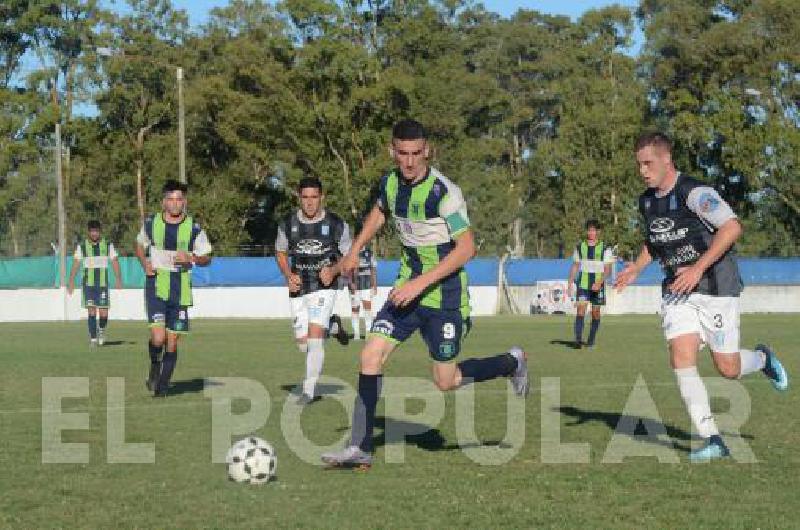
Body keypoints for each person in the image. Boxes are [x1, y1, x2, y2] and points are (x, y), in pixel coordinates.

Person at [320, 119, 529, 469]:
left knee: (445, 381)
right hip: (406, 292)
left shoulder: (444, 193)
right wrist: (355, 250)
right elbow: (379, 213)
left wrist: (420, 283)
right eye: (402, 153)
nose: (410, 161)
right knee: (370, 356)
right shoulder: (390, 183)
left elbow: (466, 249)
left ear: (427, 150)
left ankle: (513, 361)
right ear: (392, 151)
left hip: (445, 298)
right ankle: (359, 447)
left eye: (417, 153)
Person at [614, 132, 789, 461]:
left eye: (648, 163)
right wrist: (636, 267)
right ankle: (712, 438)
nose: (642, 171)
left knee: (728, 368)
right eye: (639, 165)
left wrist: (697, 267)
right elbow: (656, 240)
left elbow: (733, 227)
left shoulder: (695, 193)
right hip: (678, 290)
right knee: (681, 357)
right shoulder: (647, 201)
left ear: (667, 160)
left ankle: (763, 360)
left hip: (715, 286)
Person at [275, 176, 351, 405]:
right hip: (299, 287)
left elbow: (350, 256)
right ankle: (334, 325)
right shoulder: (287, 224)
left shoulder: (337, 224)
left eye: (314, 197)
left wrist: (335, 269)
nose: (309, 202)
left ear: (322, 198)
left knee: (315, 338)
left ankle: (308, 391)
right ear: (299, 198)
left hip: (324, 287)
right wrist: (288, 275)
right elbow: (280, 252)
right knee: (303, 344)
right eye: (305, 197)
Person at [135, 180, 212, 397]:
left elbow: (207, 258)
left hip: (180, 291)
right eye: (170, 199)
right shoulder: (152, 224)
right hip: (156, 287)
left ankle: (162, 385)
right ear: (163, 202)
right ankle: (154, 367)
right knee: (158, 338)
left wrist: (192, 258)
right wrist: (145, 263)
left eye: (179, 199)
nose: (175, 203)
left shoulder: (194, 228)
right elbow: (138, 245)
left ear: (185, 202)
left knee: (172, 341)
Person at [67, 220, 122, 346]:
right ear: (88, 232)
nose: (94, 234)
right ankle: (93, 339)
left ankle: (101, 330)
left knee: (104, 312)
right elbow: (76, 263)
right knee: (91, 311)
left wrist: (118, 278)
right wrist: (71, 281)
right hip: (88, 285)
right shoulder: (82, 246)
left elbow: (114, 261)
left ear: (100, 232)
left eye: (96, 231)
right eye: (92, 231)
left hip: (102, 284)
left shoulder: (108, 245)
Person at [567, 219, 614, 348]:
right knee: (580, 311)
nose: (591, 232)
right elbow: (575, 266)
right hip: (583, 285)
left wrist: (599, 282)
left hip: (598, 286)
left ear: (598, 232)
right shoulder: (580, 247)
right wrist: (570, 283)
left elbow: (608, 269)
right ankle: (577, 340)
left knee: (595, 313)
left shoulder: (605, 248)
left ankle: (591, 340)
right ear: (587, 231)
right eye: (589, 230)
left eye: (594, 230)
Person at [349, 244, 377, 340]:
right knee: (355, 309)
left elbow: (373, 269)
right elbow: (349, 269)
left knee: (367, 308)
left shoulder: (370, 253)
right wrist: (351, 282)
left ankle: (368, 332)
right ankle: (356, 333)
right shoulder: (352, 252)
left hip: (367, 285)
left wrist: (374, 285)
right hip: (354, 287)